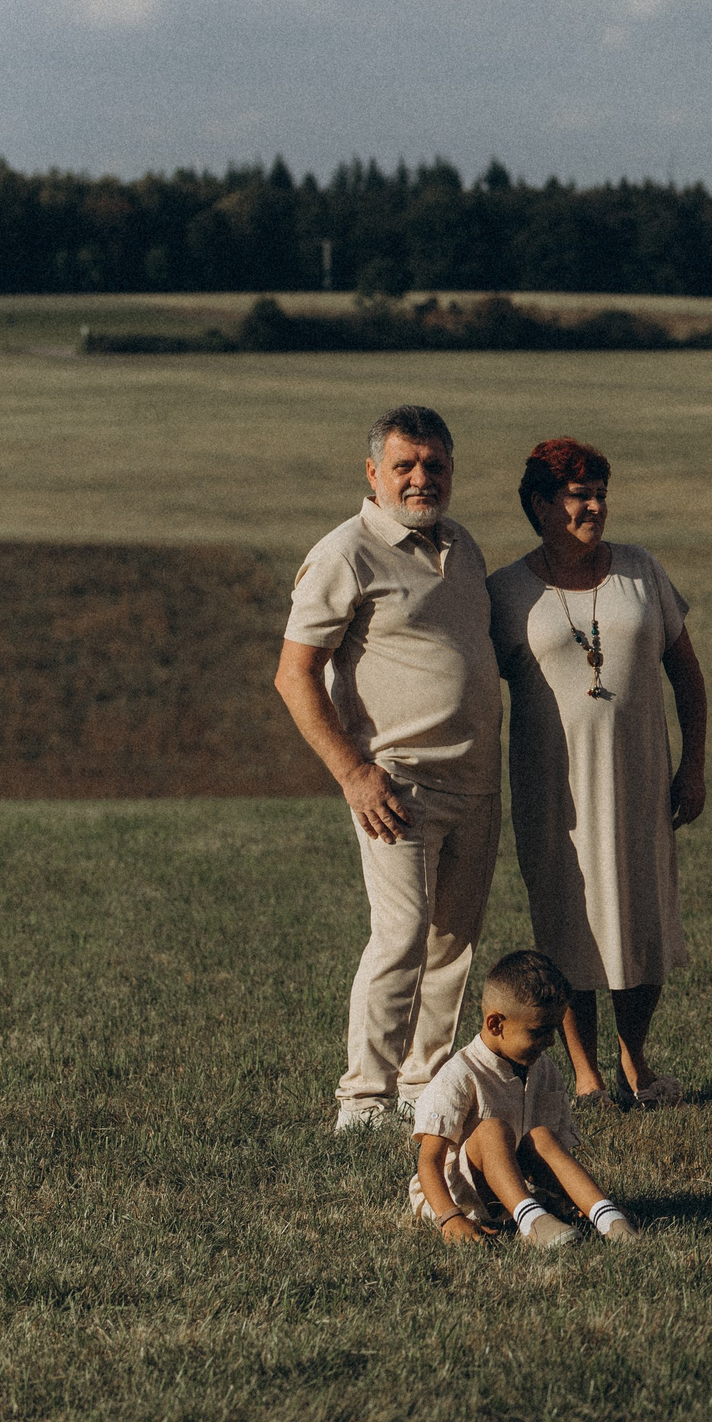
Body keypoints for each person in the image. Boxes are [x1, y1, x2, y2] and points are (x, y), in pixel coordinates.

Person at [276, 405, 505, 1132]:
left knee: (453, 942)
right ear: (372, 473)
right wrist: (352, 772)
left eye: (433, 464)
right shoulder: (345, 553)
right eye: (403, 465)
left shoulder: (462, 544)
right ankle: (364, 1099)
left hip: (475, 781)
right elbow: (294, 675)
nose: (420, 478)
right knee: (402, 934)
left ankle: (423, 1086)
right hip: (395, 783)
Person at [487, 437, 708, 1111]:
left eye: (600, 492)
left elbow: (688, 679)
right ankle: (583, 1074)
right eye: (579, 494)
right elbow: (467, 683)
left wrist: (692, 765)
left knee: (643, 922)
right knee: (568, 925)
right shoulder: (506, 592)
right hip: (554, 790)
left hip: (641, 781)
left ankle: (634, 1061)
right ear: (540, 504)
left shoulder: (641, 571)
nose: (595, 506)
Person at [410, 950, 639, 1247]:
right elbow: (429, 1161)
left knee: (543, 1135)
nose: (551, 1041)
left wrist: (574, 1200)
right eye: (538, 1032)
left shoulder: (543, 1069)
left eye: (554, 1030)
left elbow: (553, 1154)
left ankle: (607, 1217)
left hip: (518, 1185)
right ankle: (533, 1222)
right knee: (494, 1129)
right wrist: (449, 1217)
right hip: (461, 1195)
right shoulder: (458, 1075)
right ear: (496, 1024)